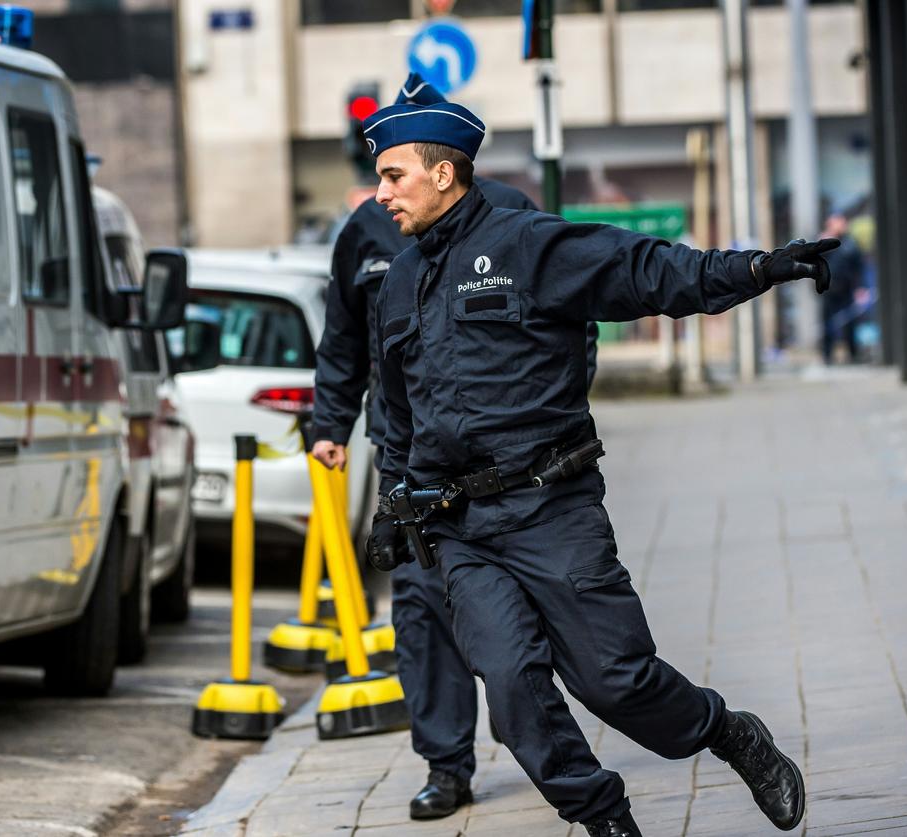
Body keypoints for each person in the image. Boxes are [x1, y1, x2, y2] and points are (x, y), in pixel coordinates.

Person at [361, 95, 836, 837]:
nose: (380, 193)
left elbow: (647, 271)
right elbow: (394, 408)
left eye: (392, 176)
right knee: (511, 682)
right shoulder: (396, 283)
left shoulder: (527, 245)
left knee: (616, 682)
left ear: (445, 172)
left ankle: (726, 729)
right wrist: (394, 500)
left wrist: (756, 268)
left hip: (552, 508)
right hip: (460, 528)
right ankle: (606, 819)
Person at [311, 73, 601, 823]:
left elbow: (574, 318)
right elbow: (344, 342)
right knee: (421, 606)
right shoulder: (368, 232)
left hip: (513, 470)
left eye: (396, 156)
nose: (384, 179)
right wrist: (328, 428)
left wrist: (556, 403)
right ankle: (446, 763)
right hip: (409, 457)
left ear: (444, 157)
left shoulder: (510, 216)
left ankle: (550, 725)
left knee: (526, 613)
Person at [818, 212, 866, 364]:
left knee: (849, 324)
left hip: (847, 289)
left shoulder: (850, 244)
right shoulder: (823, 241)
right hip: (828, 289)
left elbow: (859, 267)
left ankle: (853, 354)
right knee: (828, 323)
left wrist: (860, 288)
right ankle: (827, 355)